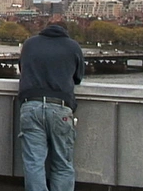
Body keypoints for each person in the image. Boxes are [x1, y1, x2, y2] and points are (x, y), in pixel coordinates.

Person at [18, 22, 85, 191]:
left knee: (34, 163)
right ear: (65, 31)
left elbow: (22, 69)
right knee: (62, 163)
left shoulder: (30, 44)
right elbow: (78, 77)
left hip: (31, 105)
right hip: (60, 107)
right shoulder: (73, 46)